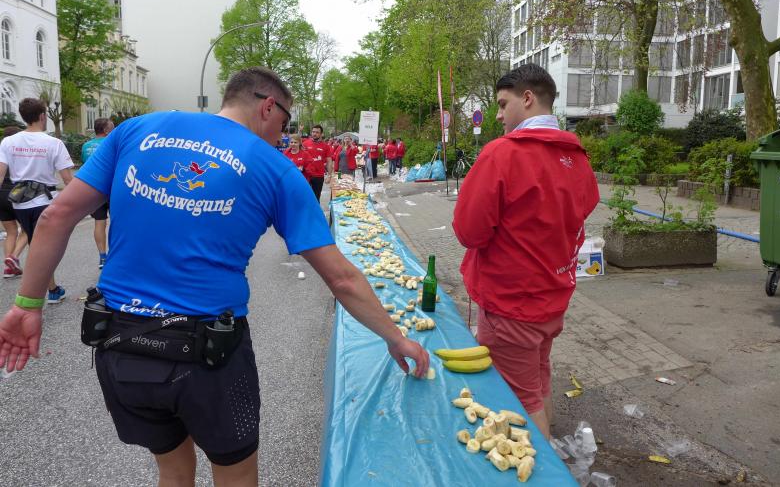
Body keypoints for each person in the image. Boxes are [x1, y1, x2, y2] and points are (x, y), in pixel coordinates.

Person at [0, 67, 428, 487]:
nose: (282, 136)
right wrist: (394, 337)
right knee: (235, 473)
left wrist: (28, 305)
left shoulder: (136, 130)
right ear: (267, 106)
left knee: (172, 471)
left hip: (119, 343)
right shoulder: (275, 168)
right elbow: (342, 278)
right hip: (207, 355)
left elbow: (56, 217)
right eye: (284, 124)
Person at [452, 64, 599, 440]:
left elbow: (468, 231)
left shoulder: (503, 154)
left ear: (528, 98)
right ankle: (552, 453)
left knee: (517, 403)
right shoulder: (576, 157)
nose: (498, 115)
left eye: (503, 104)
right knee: (538, 381)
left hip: (511, 303)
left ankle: (540, 465)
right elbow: (584, 208)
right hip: (552, 299)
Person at [0, 98, 73, 303]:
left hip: (20, 202)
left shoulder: (8, 142)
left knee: (36, 245)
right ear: (42, 116)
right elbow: (68, 179)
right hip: (45, 201)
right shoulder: (54, 143)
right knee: (45, 248)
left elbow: (0, 175)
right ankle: (37, 293)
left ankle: (53, 289)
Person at [82, 117, 115, 268]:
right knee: (117, 222)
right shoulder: (112, 143)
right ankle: (115, 255)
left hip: (94, 188)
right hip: (112, 188)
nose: (114, 130)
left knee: (99, 222)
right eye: (112, 128)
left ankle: (102, 257)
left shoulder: (86, 146)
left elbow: (86, 165)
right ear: (106, 130)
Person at [0, 126, 27, 278]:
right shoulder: (19, 153)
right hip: (17, 193)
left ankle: (9, 269)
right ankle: (14, 257)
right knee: (27, 229)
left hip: (1, 194)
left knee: (11, 232)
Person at [302, 124, 333, 202]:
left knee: (316, 198)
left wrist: (329, 175)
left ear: (321, 134)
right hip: (306, 175)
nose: (314, 134)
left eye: (317, 132)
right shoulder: (305, 144)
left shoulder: (326, 146)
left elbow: (329, 161)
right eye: (313, 132)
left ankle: (315, 210)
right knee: (304, 197)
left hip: (318, 176)